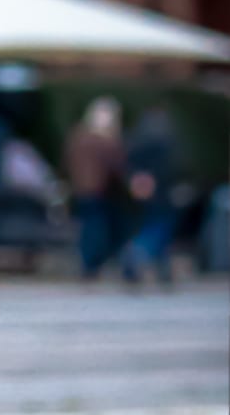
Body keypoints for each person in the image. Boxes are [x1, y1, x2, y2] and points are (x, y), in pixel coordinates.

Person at [64, 98, 124, 278]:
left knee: (88, 226)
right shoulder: (105, 140)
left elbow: (67, 162)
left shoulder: (78, 136)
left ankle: (88, 262)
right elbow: (117, 165)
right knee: (97, 227)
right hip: (98, 190)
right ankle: (92, 263)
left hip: (81, 189)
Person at [122, 105, 181, 286]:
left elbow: (128, 166)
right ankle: (138, 254)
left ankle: (162, 269)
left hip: (141, 193)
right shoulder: (164, 140)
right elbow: (172, 169)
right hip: (162, 193)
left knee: (151, 227)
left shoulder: (135, 139)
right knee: (160, 229)